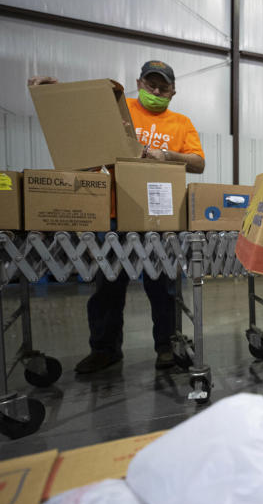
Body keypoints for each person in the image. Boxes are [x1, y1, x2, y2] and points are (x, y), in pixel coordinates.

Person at [29, 60, 205, 373]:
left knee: (163, 286)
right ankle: (105, 349)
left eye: (163, 86)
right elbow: (85, 117)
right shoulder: (120, 109)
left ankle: (167, 346)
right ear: (139, 82)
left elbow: (197, 162)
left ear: (173, 91)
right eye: (150, 84)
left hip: (159, 219)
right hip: (112, 214)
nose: (155, 90)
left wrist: (168, 156)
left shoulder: (181, 123)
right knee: (107, 286)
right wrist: (55, 95)